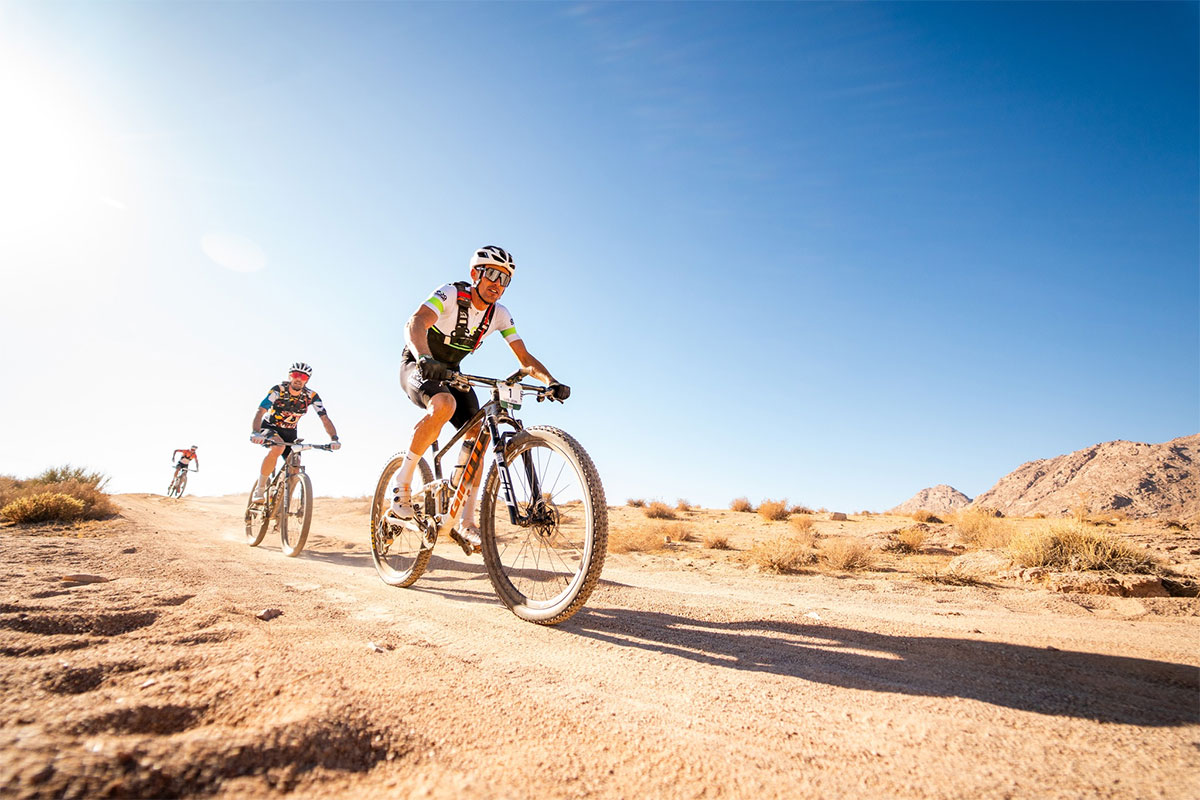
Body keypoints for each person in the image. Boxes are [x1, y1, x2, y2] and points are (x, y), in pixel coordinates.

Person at [390, 245, 570, 551]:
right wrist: (423, 357)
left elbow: (524, 359)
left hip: (453, 372)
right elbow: (416, 323)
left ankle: (466, 521)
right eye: (491, 275)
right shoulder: (450, 294)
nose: (497, 284)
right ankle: (401, 487)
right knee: (444, 405)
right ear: (476, 274)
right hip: (418, 363)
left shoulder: (499, 314)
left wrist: (550, 381)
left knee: (480, 431)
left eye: (505, 280)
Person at [249, 362, 341, 501]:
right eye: (296, 375)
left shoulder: (311, 396)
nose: (299, 378)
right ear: (290, 376)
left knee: (295, 466)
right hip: (270, 427)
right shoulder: (278, 390)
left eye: (303, 376)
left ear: (307, 380)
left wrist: (334, 438)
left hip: (290, 432)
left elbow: (324, 418)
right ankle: (260, 489)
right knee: (278, 447)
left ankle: (281, 504)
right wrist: (255, 432)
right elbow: (260, 411)